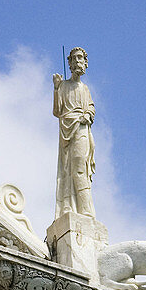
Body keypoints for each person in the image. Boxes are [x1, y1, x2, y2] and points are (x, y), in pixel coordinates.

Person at [53, 47, 96, 219]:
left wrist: (87, 115)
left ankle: (86, 210)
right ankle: (69, 207)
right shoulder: (64, 86)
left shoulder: (85, 88)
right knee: (67, 170)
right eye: (75, 59)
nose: (79, 62)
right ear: (69, 63)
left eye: (81, 59)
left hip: (81, 128)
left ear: (85, 63)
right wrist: (56, 89)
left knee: (79, 168)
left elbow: (91, 108)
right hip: (67, 129)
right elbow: (57, 111)